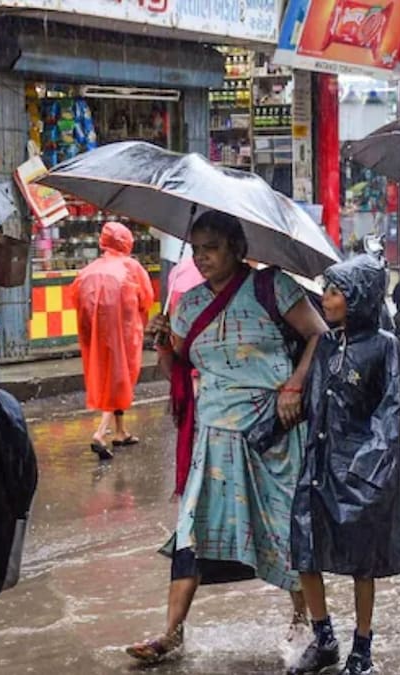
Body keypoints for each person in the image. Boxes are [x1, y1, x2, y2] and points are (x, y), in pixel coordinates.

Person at [126, 212, 327, 665]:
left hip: (272, 431)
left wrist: (295, 384)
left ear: (237, 247)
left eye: (212, 247)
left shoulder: (273, 287)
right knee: (191, 530)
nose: (202, 257)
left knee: (284, 529)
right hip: (213, 435)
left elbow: (319, 337)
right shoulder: (188, 304)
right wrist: (160, 342)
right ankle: (171, 633)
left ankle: (308, 624)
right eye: (196, 249)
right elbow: (175, 369)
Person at [288, 255, 400, 675]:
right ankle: (324, 639)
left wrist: (368, 467)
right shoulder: (323, 344)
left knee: (363, 561)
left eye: (335, 292)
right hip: (319, 463)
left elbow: (390, 410)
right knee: (305, 548)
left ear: (357, 299)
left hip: (362, 471)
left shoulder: (384, 346)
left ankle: (362, 646)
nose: (326, 298)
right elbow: (308, 401)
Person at [70, 222, 155, 459]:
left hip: (94, 332)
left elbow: (74, 296)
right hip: (124, 333)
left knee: (108, 374)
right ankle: (100, 432)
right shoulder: (131, 267)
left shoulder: (89, 270)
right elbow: (146, 298)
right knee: (119, 378)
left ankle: (121, 431)